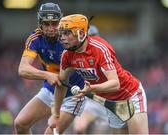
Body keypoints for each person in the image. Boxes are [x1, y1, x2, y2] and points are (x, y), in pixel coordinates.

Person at [49, 14, 149, 134]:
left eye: (67, 33)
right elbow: (62, 84)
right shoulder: (67, 55)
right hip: (110, 103)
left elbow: (115, 84)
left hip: (130, 96)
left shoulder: (100, 49)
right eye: (61, 33)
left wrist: (92, 88)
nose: (62, 38)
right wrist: (56, 113)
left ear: (81, 33)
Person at [14, 4, 86, 134]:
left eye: (55, 23)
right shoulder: (35, 39)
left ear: (61, 23)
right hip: (51, 90)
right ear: (40, 24)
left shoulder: (70, 38)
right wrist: (47, 75)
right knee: (20, 123)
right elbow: (22, 69)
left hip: (73, 95)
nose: (51, 28)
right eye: (46, 24)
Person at [73, 25, 109, 134]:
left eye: (93, 37)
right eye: (89, 37)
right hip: (89, 102)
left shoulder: (105, 55)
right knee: (79, 129)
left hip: (104, 103)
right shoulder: (76, 57)